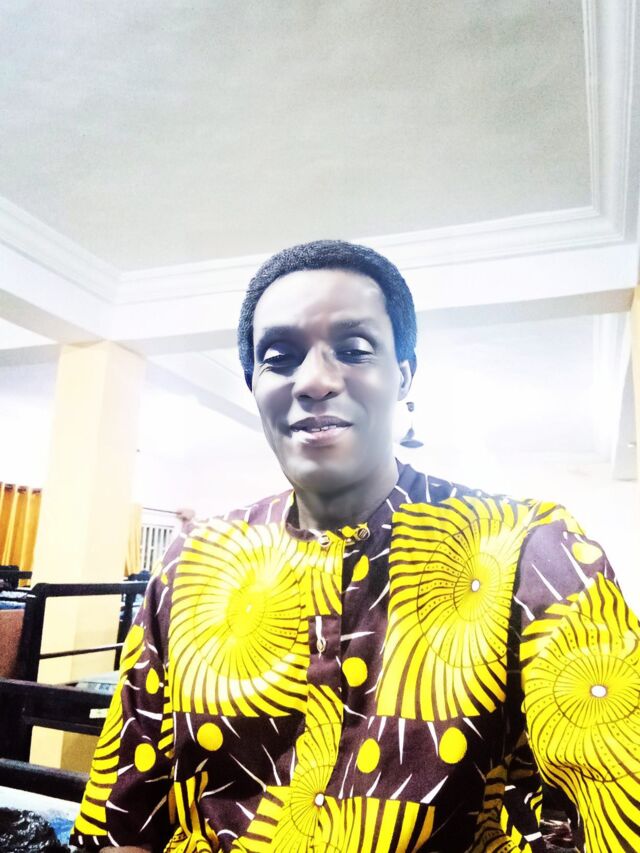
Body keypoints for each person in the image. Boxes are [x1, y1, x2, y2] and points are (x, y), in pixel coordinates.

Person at [71, 240, 640, 852]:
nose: (315, 380)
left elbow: (617, 789)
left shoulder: (529, 548)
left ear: (404, 376)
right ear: (254, 386)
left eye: (354, 349)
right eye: (279, 358)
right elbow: (124, 818)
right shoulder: (192, 563)